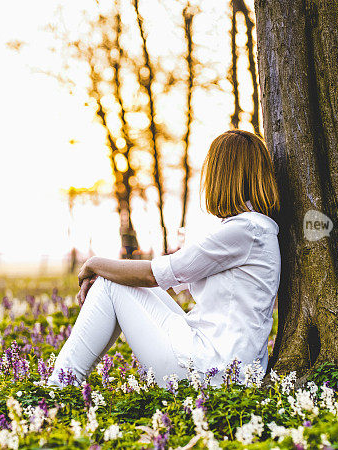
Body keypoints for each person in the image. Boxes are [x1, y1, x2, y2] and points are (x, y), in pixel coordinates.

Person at [47, 129, 281, 388]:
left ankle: (59, 386)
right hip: (224, 362)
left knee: (110, 283)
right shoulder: (252, 228)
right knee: (115, 280)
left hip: (212, 369)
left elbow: (154, 275)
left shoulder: (245, 231)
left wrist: (94, 264)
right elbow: (169, 277)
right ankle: (63, 382)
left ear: (220, 175)